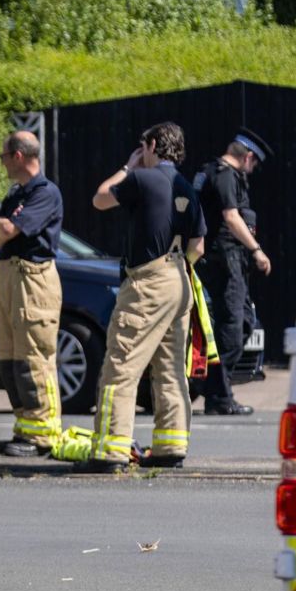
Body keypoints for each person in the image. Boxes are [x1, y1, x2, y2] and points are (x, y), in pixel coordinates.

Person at [66, 122, 205, 473]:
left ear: (153, 145)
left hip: (147, 281)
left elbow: (100, 198)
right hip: (179, 280)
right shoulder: (186, 186)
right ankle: (171, 445)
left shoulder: (142, 179)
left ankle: (110, 450)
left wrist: (128, 166)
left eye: (142, 146)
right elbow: (198, 247)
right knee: (171, 368)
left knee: (121, 366)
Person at [0, 131, 64, 457]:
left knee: (34, 358)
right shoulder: (17, 193)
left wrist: (2, 229)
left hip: (33, 280)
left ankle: (42, 434)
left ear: (18, 156)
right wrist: (0, 229)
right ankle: (25, 428)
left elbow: (4, 231)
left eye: (4, 156)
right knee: (10, 360)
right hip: (9, 278)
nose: (2, 162)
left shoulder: (44, 193)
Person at [196, 128, 274, 417]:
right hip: (226, 259)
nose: (252, 172)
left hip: (226, 260)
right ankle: (214, 390)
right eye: (254, 165)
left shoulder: (209, 171)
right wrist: (256, 250)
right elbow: (231, 217)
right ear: (248, 157)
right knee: (232, 325)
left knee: (242, 322)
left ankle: (215, 386)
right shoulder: (225, 175)